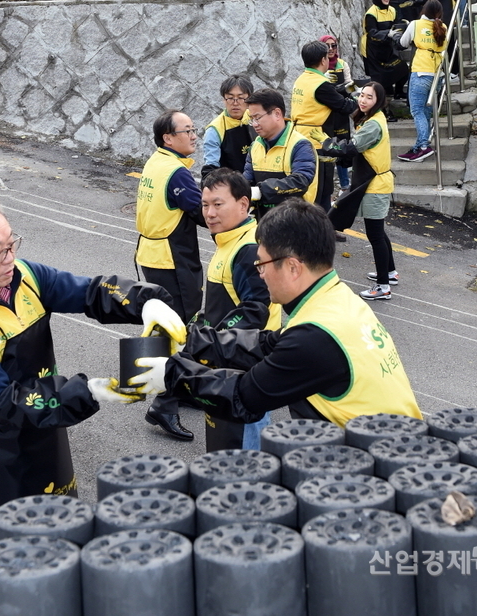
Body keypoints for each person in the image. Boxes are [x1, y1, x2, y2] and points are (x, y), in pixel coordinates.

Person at [0, 195, 187, 532]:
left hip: (48, 422)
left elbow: (88, 292)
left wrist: (145, 303)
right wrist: (90, 391)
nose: (10, 258)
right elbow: (6, 402)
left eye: (12, 243)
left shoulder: (26, 277)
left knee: (65, 523)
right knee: (23, 551)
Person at [129, 200, 422, 428]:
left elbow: (243, 397)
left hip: (381, 473)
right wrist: (188, 338)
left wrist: (172, 376)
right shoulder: (338, 301)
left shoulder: (315, 337)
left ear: (293, 267)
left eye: (262, 265)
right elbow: (268, 345)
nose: (260, 274)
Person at [199, 168, 281, 450]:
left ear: (243, 204)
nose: (209, 213)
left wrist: (212, 338)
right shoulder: (229, 239)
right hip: (228, 358)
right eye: (205, 205)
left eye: (218, 204)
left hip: (245, 363)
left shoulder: (248, 249)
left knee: (246, 440)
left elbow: (255, 310)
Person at [136, 109, 205, 440]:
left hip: (150, 254)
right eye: (187, 130)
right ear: (168, 138)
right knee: (182, 330)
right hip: (171, 259)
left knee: (160, 327)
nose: (193, 136)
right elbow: (203, 211)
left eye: (194, 129)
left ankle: (176, 388)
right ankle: (163, 405)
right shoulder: (176, 173)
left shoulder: (156, 162)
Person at [327, 82, 397, 301]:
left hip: (375, 184)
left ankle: (383, 287)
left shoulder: (373, 125)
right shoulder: (373, 119)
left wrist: (325, 145)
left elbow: (351, 147)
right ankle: (390, 273)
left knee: (375, 234)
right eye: (362, 95)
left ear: (379, 101)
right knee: (379, 232)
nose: (363, 100)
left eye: (369, 97)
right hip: (375, 182)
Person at [290, 40, 357, 212]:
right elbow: (345, 106)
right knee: (322, 187)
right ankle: (320, 228)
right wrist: (358, 96)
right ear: (323, 60)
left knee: (314, 185)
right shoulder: (321, 85)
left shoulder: (302, 79)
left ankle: (326, 225)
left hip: (298, 136)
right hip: (316, 141)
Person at [243, 87, 318, 218]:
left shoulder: (300, 145)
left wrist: (261, 190)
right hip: (263, 221)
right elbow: (247, 180)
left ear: (277, 114)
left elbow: (301, 181)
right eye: (252, 119)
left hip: (295, 221)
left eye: (257, 117)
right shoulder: (256, 146)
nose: (254, 124)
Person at [396, 0, 447, 163]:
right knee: (426, 111)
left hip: (420, 72)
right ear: (439, 13)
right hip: (437, 73)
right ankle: (419, 146)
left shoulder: (415, 24)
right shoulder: (443, 27)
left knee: (417, 111)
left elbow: (403, 43)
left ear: (424, 10)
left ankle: (424, 146)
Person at [319, 33, 355, 193]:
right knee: (327, 147)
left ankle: (344, 185)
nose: (331, 49)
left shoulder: (342, 64)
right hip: (325, 113)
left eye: (334, 45)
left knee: (342, 147)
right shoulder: (319, 67)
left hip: (341, 111)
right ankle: (327, 185)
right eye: (327, 46)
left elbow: (349, 83)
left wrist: (355, 92)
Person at [202, 74, 255, 182]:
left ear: (249, 99)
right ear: (223, 100)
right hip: (232, 185)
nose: (235, 103)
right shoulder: (215, 129)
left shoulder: (256, 118)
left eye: (241, 98)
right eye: (230, 98)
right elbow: (211, 168)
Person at [360, 0, 409, 101]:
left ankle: (399, 92)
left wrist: (404, 26)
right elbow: (372, 33)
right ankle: (381, 105)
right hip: (373, 49)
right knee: (379, 78)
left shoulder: (392, 10)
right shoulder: (371, 14)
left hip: (387, 47)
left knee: (402, 68)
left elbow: (397, 24)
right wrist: (387, 33)